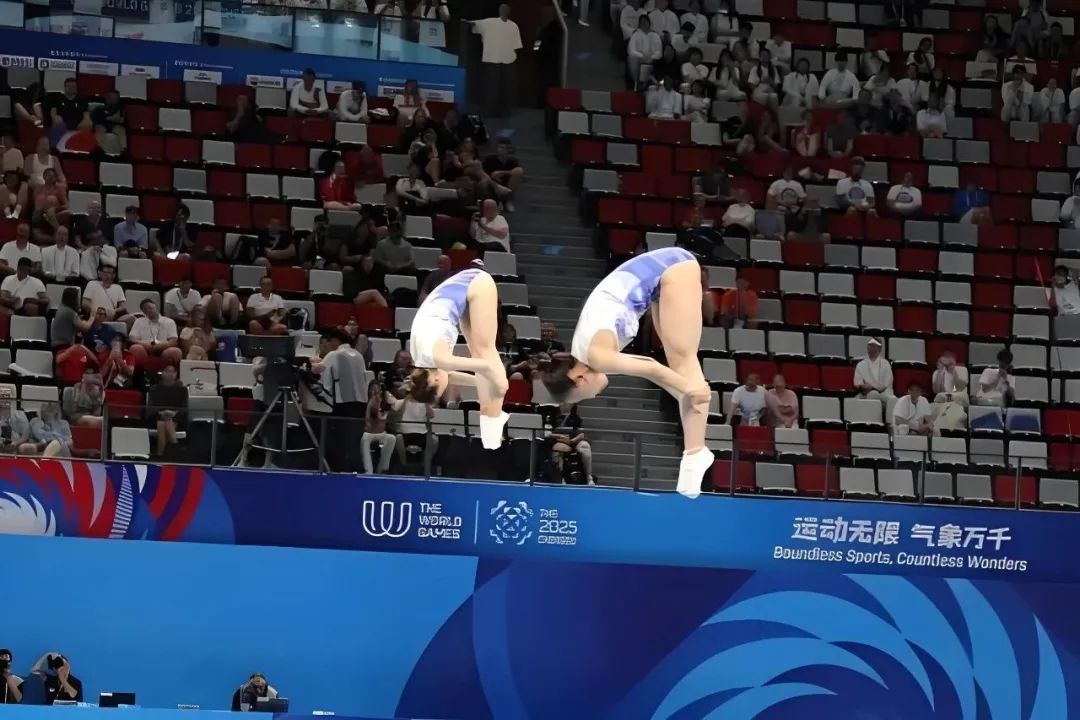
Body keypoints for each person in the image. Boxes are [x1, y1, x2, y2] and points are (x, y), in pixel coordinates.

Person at [540, 248, 712, 497]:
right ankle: (694, 455)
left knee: (683, 362)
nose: (594, 396)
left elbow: (650, 366)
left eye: (584, 397)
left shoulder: (597, 357)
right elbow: (652, 372)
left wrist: (690, 389)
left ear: (578, 379)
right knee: (681, 374)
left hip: (671, 268)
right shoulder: (584, 355)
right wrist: (684, 391)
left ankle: (695, 456)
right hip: (657, 277)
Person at [407, 263, 508, 448]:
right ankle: (491, 431)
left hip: (475, 283)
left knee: (485, 353)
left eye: (442, 390)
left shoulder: (440, 359)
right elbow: (450, 376)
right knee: (484, 372)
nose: (446, 387)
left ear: (435, 380)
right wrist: (480, 383)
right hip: (458, 297)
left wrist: (499, 385)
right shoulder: (421, 361)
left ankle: (492, 432)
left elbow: (486, 366)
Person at [469, 5, 522, 118]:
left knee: (501, 86)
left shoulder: (511, 25)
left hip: (503, 59)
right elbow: (473, 24)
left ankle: (498, 110)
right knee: (494, 86)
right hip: (496, 59)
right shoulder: (490, 23)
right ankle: (493, 110)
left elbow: (516, 45)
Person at [146, 364, 187, 457]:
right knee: (163, 423)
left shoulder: (182, 390)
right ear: (162, 373)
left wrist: (173, 413)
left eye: (172, 372)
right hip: (157, 416)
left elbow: (184, 408)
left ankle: (160, 455)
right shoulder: (154, 389)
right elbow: (150, 408)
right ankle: (175, 451)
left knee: (164, 423)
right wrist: (161, 413)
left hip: (176, 417)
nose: (170, 374)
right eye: (167, 371)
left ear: (176, 374)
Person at [549, 405, 595, 485]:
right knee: (560, 449)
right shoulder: (553, 416)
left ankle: (589, 477)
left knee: (585, 446)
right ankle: (560, 478)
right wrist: (561, 437)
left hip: (573, 441)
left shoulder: (575, 417)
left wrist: (572, 440)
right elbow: (548, 434)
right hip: (559, 440)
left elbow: (581, 434)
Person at [128, 299, 183, 367]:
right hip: (145, 348)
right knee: (135, 348)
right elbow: (132, 338)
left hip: (164, 349)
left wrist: (161, 345)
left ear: (155, 306)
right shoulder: (139, 321)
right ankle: (144, 371)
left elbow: (174, 341)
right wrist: (145, 344)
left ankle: (165, 371)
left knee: (175, 352)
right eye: (145, 309)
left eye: (150, 307)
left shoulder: (169, 321)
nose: (148, 310)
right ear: (143, 312)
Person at [361, 382, 397, 474]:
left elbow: (387, 415)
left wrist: (386, 400)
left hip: (382, 433)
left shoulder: (384, 402)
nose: (375, 392)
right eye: (372, 390)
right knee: (365, 439)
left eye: (377, 390)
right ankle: (368, 470)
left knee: (391, 438)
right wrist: (370, 404)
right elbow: (367, 421)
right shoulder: (366, 403)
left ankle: (382, 468)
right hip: (369, 434)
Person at [931, 349, 969, 431]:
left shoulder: (962, 370)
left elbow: (960, 387)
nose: (947, 365)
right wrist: (940, 373)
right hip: (943, 402)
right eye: (944, 363)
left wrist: (953, 373)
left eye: (949, 362)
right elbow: (937, 391)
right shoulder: (936, 373)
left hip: (958, 401)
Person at [482, 142, 524, 212]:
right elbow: (483, 172)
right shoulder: (490, 159)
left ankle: (508, 200)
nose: (501, 149)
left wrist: (501, 172)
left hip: (507, 185)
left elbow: (518, 172)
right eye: (499, 147)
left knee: (519, 171)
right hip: (492, 184)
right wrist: (492, 176)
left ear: (508, 150)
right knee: (484, 181)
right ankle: (488, 203)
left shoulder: (512, 161)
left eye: (503, 148)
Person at [854, 338, 895, 403]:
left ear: (880, 348)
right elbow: (857, 383)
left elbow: (885, 385)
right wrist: (863, 386)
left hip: (885, 393)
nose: (871, 348)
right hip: (865, 394)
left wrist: (872, 386)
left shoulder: (886, 364)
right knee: (870, 395)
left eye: (874, 346)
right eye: (869, 345)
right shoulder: (860, 365)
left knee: (874, 394)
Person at [627, 15, 663, 89]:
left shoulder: (655, 35)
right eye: (642, 22)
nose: (644, 24)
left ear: (649, 23)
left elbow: (659, 51)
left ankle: (650, 84)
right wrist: (642, 56)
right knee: (632, 58)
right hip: (639, 60)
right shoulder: (635, 35)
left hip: (653, 60)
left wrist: (651, 58)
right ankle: (637, 83)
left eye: (645, 22)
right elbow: (631, 50)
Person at [91, 88, 127, 152]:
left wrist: (118, 119)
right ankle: (98, 150)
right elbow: (95, 119)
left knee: (120, 130)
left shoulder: (121, 108)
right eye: (111, 97)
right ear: (107, 98)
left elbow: (122, 119)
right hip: (102, 124)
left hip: (115, 125)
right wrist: (109, 118)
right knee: (99, 128)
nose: (113, 100)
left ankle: (124, 151)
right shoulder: (99, 108)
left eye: (115, 98)